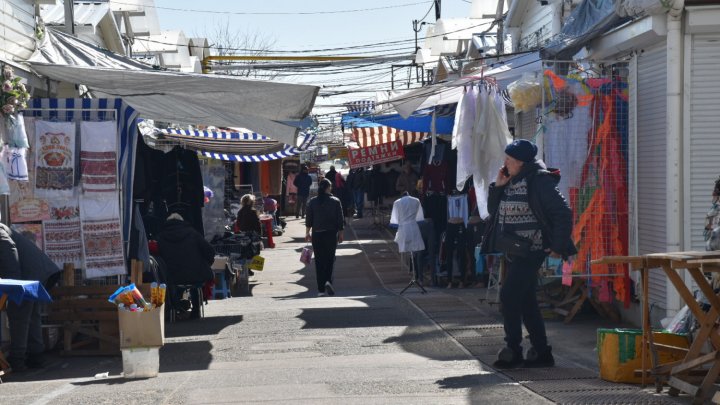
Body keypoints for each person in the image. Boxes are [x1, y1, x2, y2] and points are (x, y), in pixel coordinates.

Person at [482, 139, 577, 369]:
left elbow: (563, 212)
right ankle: (542, 352)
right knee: (526, 301)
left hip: (532, 249)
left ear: (522, 163)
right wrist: (499, 186)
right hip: (514, 249)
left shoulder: (539, 180)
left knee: (508, 296)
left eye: (510, 160)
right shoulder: (511, 180)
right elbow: (493, 212)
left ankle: (513, 349)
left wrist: (557, 245)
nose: (505, 163)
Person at [0, 221, 62, 372]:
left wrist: (12, 284)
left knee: (19, 315)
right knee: (31, 315)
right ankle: (36, 356)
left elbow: (9, 249)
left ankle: (17, 360)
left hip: (27, 276)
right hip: (35, 273)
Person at [155, 213, 215, 320]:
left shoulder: (160, 236)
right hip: (194, 274)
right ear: (182, 221)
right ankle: (196, 311)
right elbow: (210, 251)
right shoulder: (193, 233)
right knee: (195, 283)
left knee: (172, 283)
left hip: (171, 276)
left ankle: (175, 308)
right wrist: (205, 263)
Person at [305, 178, 344, 297]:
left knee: (319, 260)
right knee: (330, 259)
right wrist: (341, 233)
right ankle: (328, 281)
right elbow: (340, 219)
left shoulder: (312, 201)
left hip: (317, 233)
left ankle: (321, 289)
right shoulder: (335, 201)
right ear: (328, 187)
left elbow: (309, 219)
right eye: (330, 186)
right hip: (331, 234)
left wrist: (307, 233)